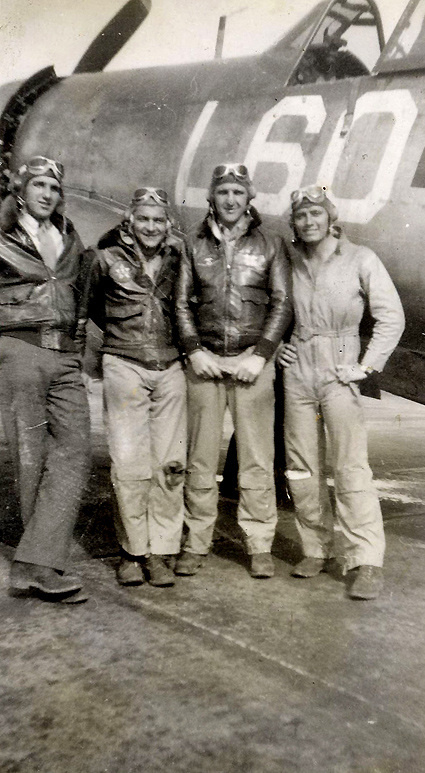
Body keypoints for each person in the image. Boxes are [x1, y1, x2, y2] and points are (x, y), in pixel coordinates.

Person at [278, 185, 405, 599]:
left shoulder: (361, 258)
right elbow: (271, 309)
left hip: (340, 368)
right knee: (301, 467)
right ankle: (316, 548)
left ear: (330, 217)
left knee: (350, 467)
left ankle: (365, 560)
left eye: (316, 213)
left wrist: (367, 366)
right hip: (298, 370)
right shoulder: (289, 261)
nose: (309, 221)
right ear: (294, 222)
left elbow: (392, 317)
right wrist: (278, 345)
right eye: (301, 215)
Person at [176, 163, 292, 578]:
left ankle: (260, 544)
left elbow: (282, 303)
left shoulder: (271, 245)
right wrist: (194, 351)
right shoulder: (192, 244)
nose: (230, 200)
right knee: (200, 460)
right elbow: (181, 304)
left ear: (249, 198)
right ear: (212, 197)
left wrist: (260, 355)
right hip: (205, 364)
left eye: (237, 193)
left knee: (258, 461)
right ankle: (196, 540)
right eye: (223, 192)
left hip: (251, 366)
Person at [85, 188, 187, 587]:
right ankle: (132, 551)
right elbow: (92, 306)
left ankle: (162, 551)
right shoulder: (107, 259)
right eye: (143, 218)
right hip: (124, 365)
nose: (150, 227)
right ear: (130, 220)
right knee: (129, 464)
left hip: (170, 366)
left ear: (168, 224)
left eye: (158, 220)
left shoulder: (180, 260)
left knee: (170, 463)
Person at [0, 155, 90, 603]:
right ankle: (36, 567)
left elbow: (81, 292)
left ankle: (34, 559)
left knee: (74, 450)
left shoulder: (68, 236)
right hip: (19, 348)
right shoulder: (2, 234)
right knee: (30, 455)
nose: (47, 194)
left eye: (53, 188)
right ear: (21, 188)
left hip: (65, 354)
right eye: (38, 185)